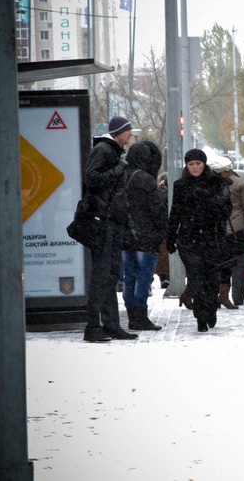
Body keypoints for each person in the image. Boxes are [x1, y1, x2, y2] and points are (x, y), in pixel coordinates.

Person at [82, 115, 139, 342]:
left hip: (113, 222)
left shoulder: (113, 152)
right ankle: (92, 328)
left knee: (110, 276)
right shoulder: (104, 150)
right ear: (118, 132)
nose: (131, 134)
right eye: (128, 131)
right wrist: (119, 168)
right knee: (101, 276)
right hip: (102, 222)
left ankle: (111, 325)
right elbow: (92, 178)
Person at [166, 149, 232, 332]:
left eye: (198, 164)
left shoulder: (216, 183)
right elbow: (176, 211)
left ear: (204, 164)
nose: (194, 167)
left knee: (211, 278)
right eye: (191, 164)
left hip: (212, 238)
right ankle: (200, 317)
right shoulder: (181, 185)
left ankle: (210, 309)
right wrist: (170, 236)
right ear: (186, 166)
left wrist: (213, 208)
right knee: (196, 278)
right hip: (189, 239)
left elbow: (228, 208)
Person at [122, 140, 167, 331]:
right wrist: (161, 232)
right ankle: (140, 314)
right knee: (143, 277)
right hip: (146, 237)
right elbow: (158, 210)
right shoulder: (147, 180)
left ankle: (132, 313)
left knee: (129, 276)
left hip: (126, 235)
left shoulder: (122, 175)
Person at [209, 156, 244, 309]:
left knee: (219, 263)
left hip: (218, 229)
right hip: (236, 228)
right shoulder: (240, 183)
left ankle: (217, 295)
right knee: (238, 265)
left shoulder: (210, 184)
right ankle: (238, 297)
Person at [154, 172, 170, 289]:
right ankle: (166, 277)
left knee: (162, 254)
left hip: (160, 227)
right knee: (166, 253)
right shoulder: (167, 193)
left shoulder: (158, 192)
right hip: (167, 226)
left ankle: (164, 277)